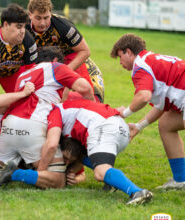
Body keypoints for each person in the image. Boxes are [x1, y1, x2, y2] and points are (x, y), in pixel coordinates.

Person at [0, 46, 94, 189]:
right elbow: (85, 88)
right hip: (33, 125)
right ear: (56, 60)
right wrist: (91, 107)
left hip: (9, 125)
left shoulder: (23, 75)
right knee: (58, 180)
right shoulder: (56, 67)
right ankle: (16, 174)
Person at [111, 33, 185, 190]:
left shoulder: (140, 67)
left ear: (128, 52)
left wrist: (123, 114)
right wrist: (138, 126)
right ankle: (181, 179)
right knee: (166, 124)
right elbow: (161, 106)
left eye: (120, 57)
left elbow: (144, 96)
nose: (120, 63)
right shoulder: (149, 59)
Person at [48, 98, 153, 205]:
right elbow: (78, 153)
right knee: (83, 155)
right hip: (119, 128)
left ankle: (137, 192)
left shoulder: (54, 112)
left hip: (105, 128)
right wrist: (70, 172)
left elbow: (51, 146)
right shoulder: (66, 108)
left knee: (100, 172)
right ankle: (112, 182)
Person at [26, 0, 104, 102]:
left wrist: (64, 72)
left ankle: (93, 111)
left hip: (70, 57)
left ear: (50, 13)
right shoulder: (23, 27)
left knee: (88, 95)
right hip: (42, 59)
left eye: (46, 18)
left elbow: (85, 51)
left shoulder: (63, 26)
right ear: (30, 15)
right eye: (38, 18)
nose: (42, 23)